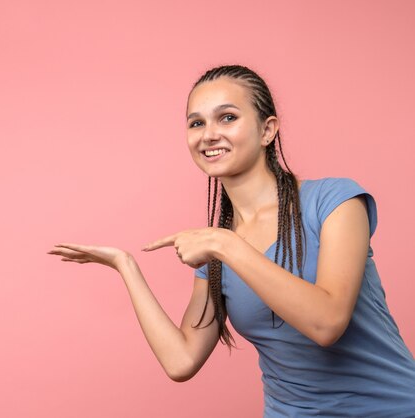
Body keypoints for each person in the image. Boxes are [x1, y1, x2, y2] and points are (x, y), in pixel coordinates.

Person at [47, 65, 415, 417]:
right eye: (196, 123)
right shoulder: (217, 249)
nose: (208, 134)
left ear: (268, 129)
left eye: (227, 117)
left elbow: (327, 323)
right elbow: (181, 361)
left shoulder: (335, 202)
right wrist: (125, 265)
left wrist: (226, 244)